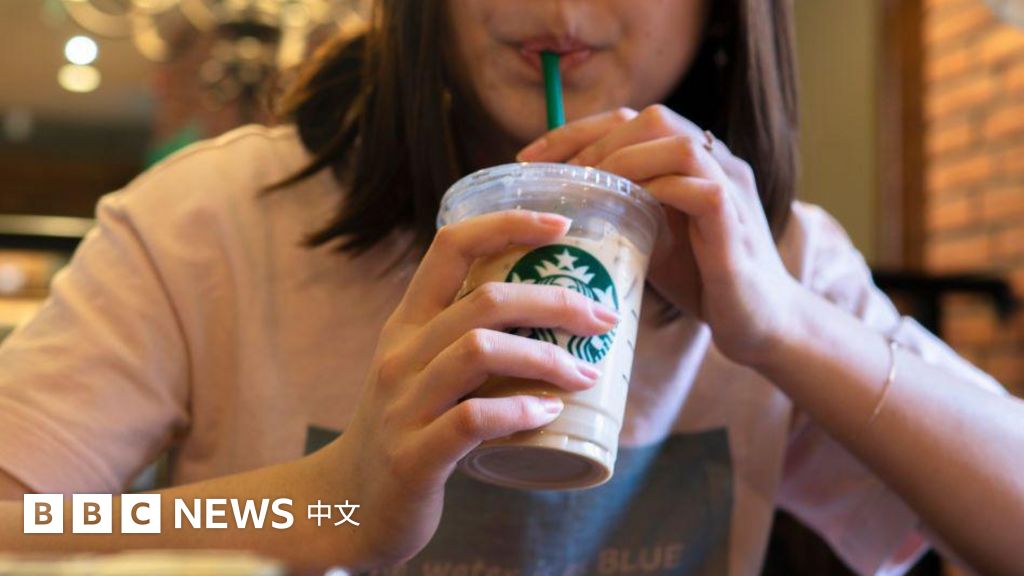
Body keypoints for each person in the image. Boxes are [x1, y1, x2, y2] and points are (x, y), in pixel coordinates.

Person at [0, 1, 1021, 574]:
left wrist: (786, 327)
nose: (557, 3)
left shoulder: (768, 255)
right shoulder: (210, 223)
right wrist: (328, 499)